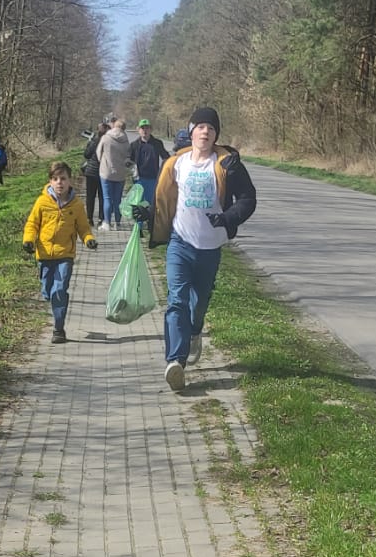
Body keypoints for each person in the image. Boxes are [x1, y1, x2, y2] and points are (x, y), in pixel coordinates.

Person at [148, 106, 256, 392]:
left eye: (211, 128)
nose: (205, 132)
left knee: (198, 304)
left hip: (210, 247)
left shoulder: (227, 164)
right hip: (180, 242)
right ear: (191, 131)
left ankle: (195, 331)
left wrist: (228, 217)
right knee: (176, 300)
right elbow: (165, 199)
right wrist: (147, 214)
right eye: (200, 127)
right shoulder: (176, 164)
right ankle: (175, 361)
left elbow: (248, 199)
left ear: (216, 135)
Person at [22, 160, 97, 344]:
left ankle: (58, 329)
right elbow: (32, 224)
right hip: (44, 254)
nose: (59, 183)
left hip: (65, 255)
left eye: (63, 179)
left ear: (69, 181)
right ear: (50, 181)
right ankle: (52, 298)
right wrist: (28, 240)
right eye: (55, 179)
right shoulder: (42, 202)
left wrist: (88, 239)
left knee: (59, 290)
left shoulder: (76, 205)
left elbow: (83, 228)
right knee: (48, 291)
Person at [129, 118, 168, 230]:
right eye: (142, 128)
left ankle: (151, 227)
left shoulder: (157, 143)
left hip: (153, 178)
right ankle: (139, 227)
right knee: (139, 204)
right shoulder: (134, 145)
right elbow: (129, 159)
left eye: (147, 128)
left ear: (151, 130)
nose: (145, 131)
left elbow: (166, 157)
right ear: (138, 130)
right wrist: (128, 164)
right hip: (139, 179)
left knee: (151, 203)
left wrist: (166, 168)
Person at [96, 117, 132, 230]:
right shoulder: (126, 140)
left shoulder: (106, 137)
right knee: (118, 200)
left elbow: (98, 152)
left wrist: (102, 162)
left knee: (107, 198)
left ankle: (107, 223)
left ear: (114, 126)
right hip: (120, 173)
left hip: (106, 171)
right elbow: (128, 156)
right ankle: (118, 223)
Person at [81, 121, 108, 226]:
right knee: (102, 197)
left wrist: (89, 144)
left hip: (91, 172)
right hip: (103, 172)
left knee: (90, 196)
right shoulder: (108, 141)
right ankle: (101, 218)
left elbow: (86, 155)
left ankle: (89, 218)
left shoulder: (94, 141)